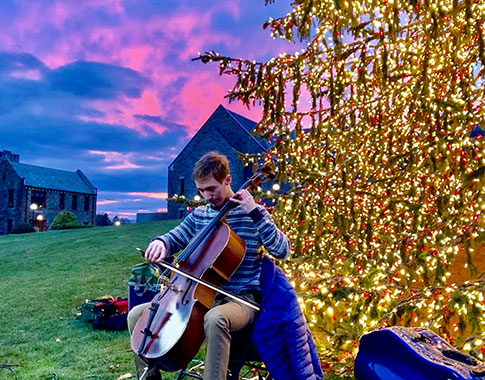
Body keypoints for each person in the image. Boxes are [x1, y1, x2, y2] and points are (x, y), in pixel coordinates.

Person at [128, 151, 290, 380]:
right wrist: (160, 242)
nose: (206, 196)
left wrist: (254, 212)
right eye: (201, 190)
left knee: (216, 319)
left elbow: (282, 250)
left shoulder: (254, 213)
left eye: (211, 189)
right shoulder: (200, 216)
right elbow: (175, 236)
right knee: (136, 316)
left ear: (227, 180)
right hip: (199, 299)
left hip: (242, 299)